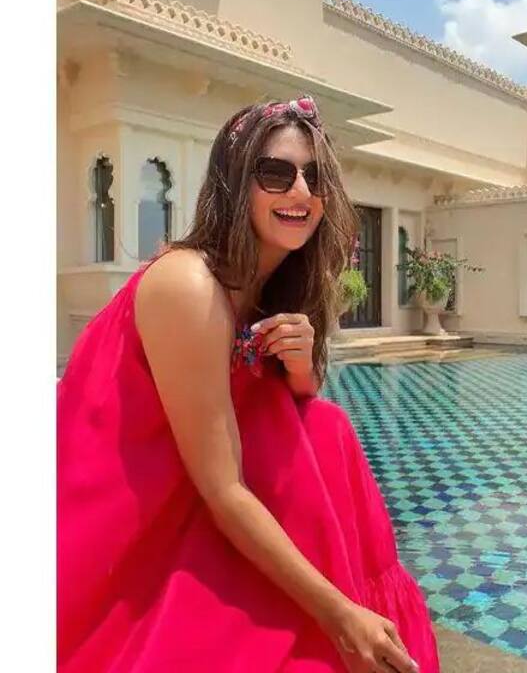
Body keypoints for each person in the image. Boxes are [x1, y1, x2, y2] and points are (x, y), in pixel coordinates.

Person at [57, 95, 441, 673]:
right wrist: (340, 615)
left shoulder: (271, 287)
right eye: (276, 173)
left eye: (315, 177)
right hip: (130, 517)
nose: (301, 192)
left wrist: (302, 368)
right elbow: (223, 488)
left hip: (202, 487)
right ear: (236, 183)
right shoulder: (189, 285)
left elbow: (286, 410)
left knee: (325, 425)